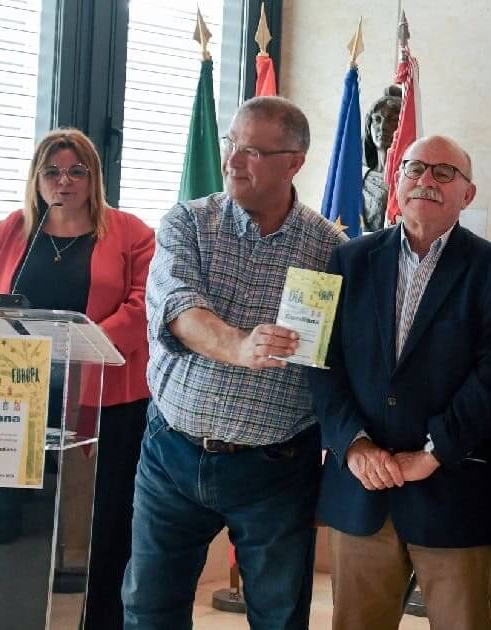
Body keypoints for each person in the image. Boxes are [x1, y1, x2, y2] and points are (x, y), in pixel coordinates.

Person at [124, 96, 346, 630]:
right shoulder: (188, 223)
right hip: (171, 454)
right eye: (231, 145)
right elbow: (178, 307)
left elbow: (344, 358)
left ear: (293, 162)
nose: (231, 162)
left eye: (251, 151)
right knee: (149, 609)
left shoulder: (331, 250)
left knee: (278, 615)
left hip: (274, 470)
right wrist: (240, 347)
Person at [310, 134, 491, 630]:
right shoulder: (345, 260)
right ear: (395, 178)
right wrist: (354, 446)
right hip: (362, 490)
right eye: (415, 168)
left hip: (452, 490)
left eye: (444, 173)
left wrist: (432, 453)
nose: (426, 181)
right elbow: (318, 362)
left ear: (467, 195)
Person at [0, 128, 154, 630]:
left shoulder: (131, 233)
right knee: (14, 526)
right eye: (52, 171)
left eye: (76, 171)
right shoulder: (11, 229)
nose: (63, 182)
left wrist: (75, 345)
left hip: (105, 406)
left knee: (103, 529)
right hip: (18, 403)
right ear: (37, 178)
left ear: (94, 178)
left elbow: (143, 308)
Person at [362, 86, 402, 232]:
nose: (383, 127)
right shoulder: (359, 177)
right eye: (377, 119)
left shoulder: (412, 179)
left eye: (392, 120)